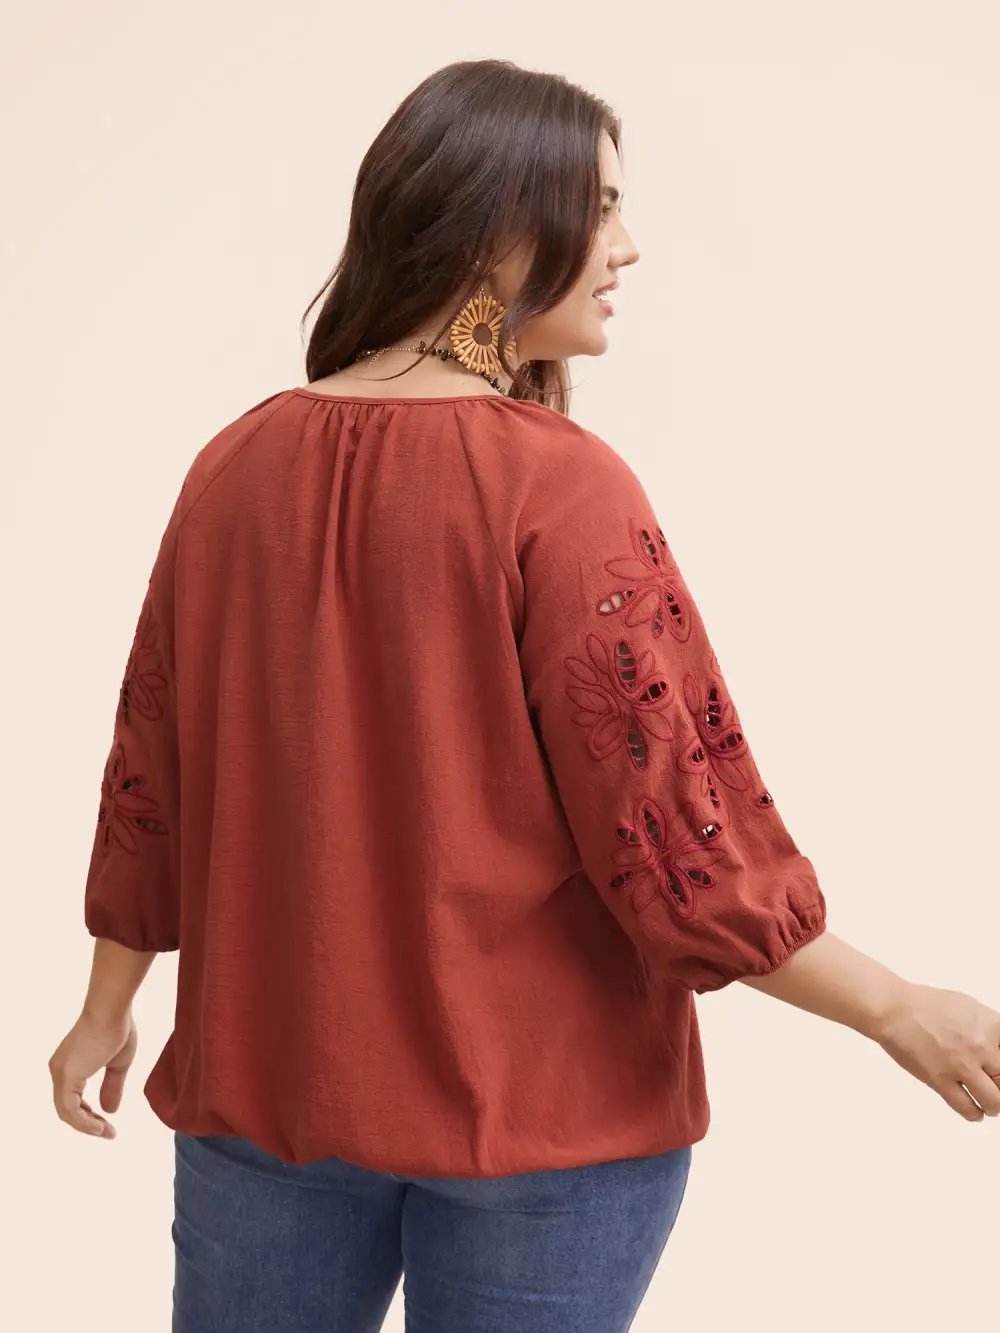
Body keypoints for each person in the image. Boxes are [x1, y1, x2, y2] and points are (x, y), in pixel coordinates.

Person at [48, 57, 999, 1333]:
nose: (626, 248)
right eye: (597, 209)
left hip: (267, 1094)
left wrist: (106, 1004)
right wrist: (895, 1008)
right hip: (545, 1125)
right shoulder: (558, 485)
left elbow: (149, 770)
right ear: (497, 227)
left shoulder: (231, 467)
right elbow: (676, 840)